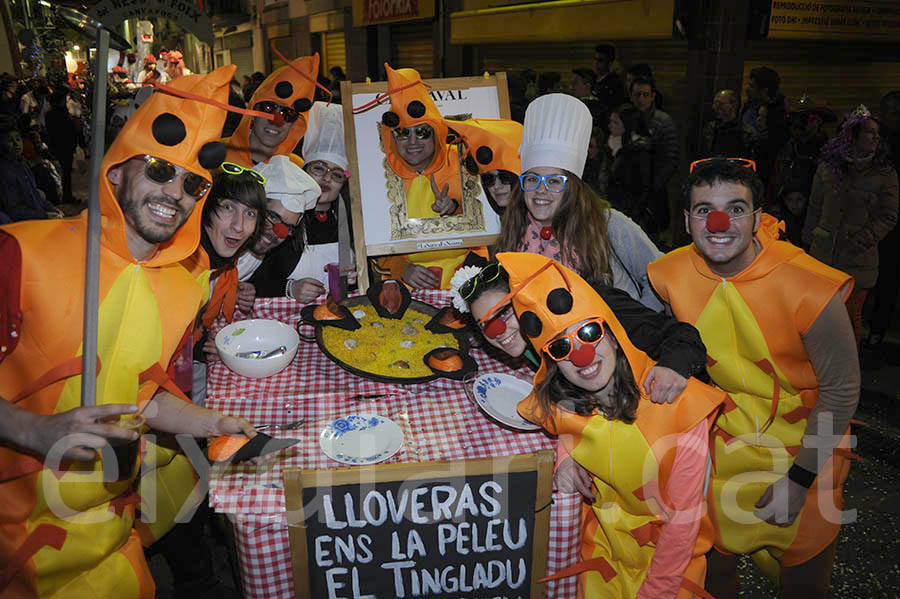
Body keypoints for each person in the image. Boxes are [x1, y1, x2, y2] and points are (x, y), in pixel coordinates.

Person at [0, 65, 259, 598]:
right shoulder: (22, 253)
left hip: (111, 543)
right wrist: (33, 431)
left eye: (192, 183)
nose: (174, 193)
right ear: (115, 171)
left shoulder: (185, 284)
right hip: (13, 545)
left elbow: (140, 397)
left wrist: (214, 422)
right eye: (159, 170)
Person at [648, 158, 861, 598]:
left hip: (805, 452)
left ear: (758, 218)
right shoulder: (668, 275)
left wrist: (800, 481)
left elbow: (841, 392)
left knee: (803, 582)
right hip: (718, 451)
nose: (719, 222)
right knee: (715, 575)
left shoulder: (808, 287)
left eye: (736, 208)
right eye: (705, 209)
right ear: (687, 221)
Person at [475, 252, 723, 598]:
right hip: (605, 549)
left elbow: (682, 526)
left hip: (668, 566)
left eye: (590, 333)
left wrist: (656, 591)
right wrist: (566, 456)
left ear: (611, 331)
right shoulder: (570, 386)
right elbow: (566, 417)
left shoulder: (677, 409)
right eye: (562, 348)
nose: (582, 354)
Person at [452, 259, 708, 404]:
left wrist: (672, 367)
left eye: (505, 312)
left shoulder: (595, 303)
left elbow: (682, 336)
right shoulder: (533, 338)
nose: (497, 330)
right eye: (485, 323)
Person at [495, 93, 663, 311]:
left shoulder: (606, 223)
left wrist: (635, 325)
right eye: (532, 179)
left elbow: (661, 275)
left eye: (554, 181)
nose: (540, 190)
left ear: (573, 185)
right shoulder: (514, 226)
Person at [371, 64, 487, 290]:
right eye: (403, 133)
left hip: (466, 283)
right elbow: (372, 239)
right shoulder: (379, 177)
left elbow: (487, 221)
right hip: (404, 290)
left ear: (436, 133)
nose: (413, 142)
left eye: (422, 132)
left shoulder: (463, 163)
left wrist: (455, 207)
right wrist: (400, 268)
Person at [803, 105, 899, 347]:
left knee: (849, 316)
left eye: (877, 133)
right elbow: (814, 206)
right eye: (869, 132)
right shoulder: (828, 168)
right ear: (852, 136)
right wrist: (810, 238)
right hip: (823, 253)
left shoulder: (884, 174)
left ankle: (847, 374)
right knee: (817, 316)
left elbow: (889, 216)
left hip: (857, 258)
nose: (875, 137)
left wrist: (862, 239)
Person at [190, 165, 266, 405]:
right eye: (227, 207)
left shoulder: (223, 264)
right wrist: (196, 347)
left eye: (250, 213)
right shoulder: (183, 265)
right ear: (206, 208)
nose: (239, 225)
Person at [235, 155, 324, 303]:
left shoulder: (261, 254)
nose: (277, 232)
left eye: (288, 227)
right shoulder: (221, 241)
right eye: (273, 216)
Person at [297, 101, 356, 288]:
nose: (326, 178)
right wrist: (291, 288)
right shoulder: (288, 218)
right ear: (305, 170)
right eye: (319, 168)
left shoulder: (353, 222)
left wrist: (357, 274)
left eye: (337, 174)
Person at [224, 54, 321, 167]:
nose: (277, 120)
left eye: (288, 114)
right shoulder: (216, 157)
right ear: (254, 111)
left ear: (294, 124)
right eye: (269, 108)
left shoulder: (295, 170)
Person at [771, 94, 835, 246]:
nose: (805, 123)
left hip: (813, 213)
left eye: (812, 119)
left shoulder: (827, 150)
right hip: (788, 211)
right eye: (802, 118)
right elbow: (778, 176)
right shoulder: (790, 146)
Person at [865, 91, 900, 357]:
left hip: (889, 225)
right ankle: (872, 328)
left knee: (887, 280)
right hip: (869, 222)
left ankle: (877, 331)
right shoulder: (877, 145)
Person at [630, 75, 679, 240]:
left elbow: (671, 158)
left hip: (654, 188)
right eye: (637, 95)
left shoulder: (664, 121)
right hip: (631, 187)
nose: (641, 99)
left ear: (653, 96)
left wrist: (653, 187)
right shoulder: (628, 118)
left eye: (645, 95)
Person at [448, 117, 523, 215]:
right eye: (489, 179)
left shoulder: (540, 221)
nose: (496, 186)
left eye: (505, 177)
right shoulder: (513, 224)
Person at [606, 103, 654, 229]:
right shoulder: (614, 146)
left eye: (615, 122)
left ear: (627, 124)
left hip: (630, 213)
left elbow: (644, 185)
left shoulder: (639, 151)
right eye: (610, 121)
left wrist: (634, 213)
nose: (610, 126)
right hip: (617, 209)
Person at [0, 117, 57, 221]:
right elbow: (15, 211)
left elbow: (34, 194)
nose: (16, 144)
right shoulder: (5, 172)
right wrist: (44, 216)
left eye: (17, 139)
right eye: (10, 141)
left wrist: (51, 208)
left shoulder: (22, 163)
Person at [697, 89, 752, 160]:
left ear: (734, 105)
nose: (714, 107)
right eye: (714, 103)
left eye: (719, 104)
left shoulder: (746, 133)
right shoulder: (710, 128)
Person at [592, 43, 625, 119]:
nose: (596, 63)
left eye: (600, 60)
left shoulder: (615, 84)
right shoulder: (591, 80)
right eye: (594, 59)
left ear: (609, 63)